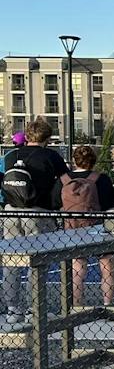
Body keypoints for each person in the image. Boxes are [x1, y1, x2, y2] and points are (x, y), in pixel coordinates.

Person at [3, 119, 70, 331]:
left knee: (11, 262)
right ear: (47, 138)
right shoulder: (51, 156)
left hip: (12, 211)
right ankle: (36, 308)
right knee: (38, 260)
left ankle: (13, 309)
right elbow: (67, 181)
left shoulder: (11, 155)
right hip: (39, 210)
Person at [56, 144, 114, 309]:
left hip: (72, 228)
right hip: (98, 228)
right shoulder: (101, 179)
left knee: (77, 267)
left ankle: (76, 306)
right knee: (107, 266)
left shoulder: (63, 180)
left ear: (74, 160)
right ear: (93, 161)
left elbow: (54, 201)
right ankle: (108, 304)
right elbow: (111, 204)